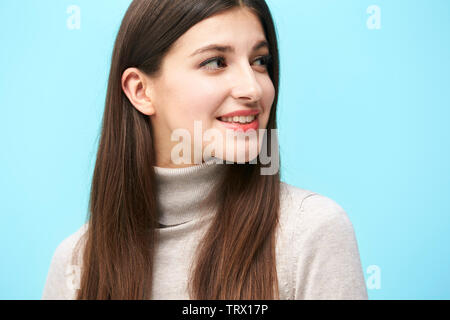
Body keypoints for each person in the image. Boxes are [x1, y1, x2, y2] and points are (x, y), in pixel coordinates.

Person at [42, 0, 368, 300]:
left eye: (260, 61)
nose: (253, 89)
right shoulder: (77, 263)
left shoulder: (311, 232)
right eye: (215, 62)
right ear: (141, 91)